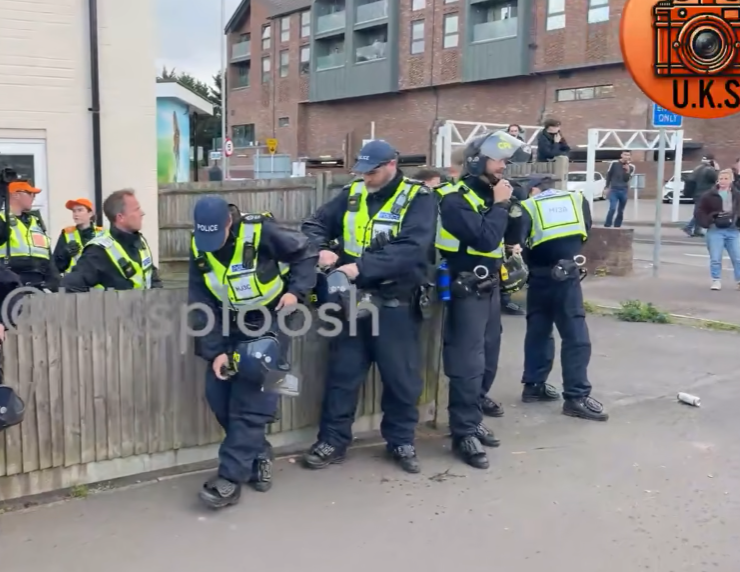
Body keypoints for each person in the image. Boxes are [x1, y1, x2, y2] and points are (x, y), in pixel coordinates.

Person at [300, 139, 436, 474]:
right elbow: (314, 224)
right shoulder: (352, 194)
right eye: (361, 171)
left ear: (391, 164)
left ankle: (401, 441)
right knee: (343, 376)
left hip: (395, 304)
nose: (365, 178)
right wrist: (320, 248)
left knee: (401, 379)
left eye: (371, 172)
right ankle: (332, 441)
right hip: (351, 304)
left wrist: (360, 268)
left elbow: (412, 248)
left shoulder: (419, 198)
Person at [188, 195, 317, 508]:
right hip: (228, 323)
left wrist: (296, 292)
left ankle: (230, 479)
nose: (212, 245)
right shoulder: (199, 246)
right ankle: (258, 454)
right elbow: (200, 301)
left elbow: (306, 252)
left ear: (228, 222)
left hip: (269, 320)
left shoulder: (261, 230)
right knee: (218, 394)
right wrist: (215, 352)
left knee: (252, 396)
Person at [435, 131, 531, 468]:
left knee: (489, 356)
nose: (504, 166)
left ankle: (473, 417)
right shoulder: (452, 199)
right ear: (477, 162)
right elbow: (485, 237)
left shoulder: (496, 194)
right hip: (464, 286)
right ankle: (463, 432)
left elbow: (513, 237)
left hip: (490, 285)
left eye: (506, 161)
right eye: (498, 160)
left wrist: (514, 207)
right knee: (467, 362)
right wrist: (501, 205)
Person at [517, 173, 608, 421]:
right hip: (565, 274)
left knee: (538, 331)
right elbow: (585, 230)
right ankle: (576, 397)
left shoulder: (527, 206)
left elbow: (519, 242)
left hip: (538, 275)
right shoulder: (576, 200)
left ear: (533, 190)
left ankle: (533, 385)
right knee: (575, 336)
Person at [61, 189, 163, 291]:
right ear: (120, 217)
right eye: (136, 210)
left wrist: (157, 294)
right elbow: (69, 285)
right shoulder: (97, 251)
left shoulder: (140, 241)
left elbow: (150, 274)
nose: (142, 213)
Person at [0, 181, 59, 291]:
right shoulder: (2, 219)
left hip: (39, 282)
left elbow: (48, 256)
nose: (33, 197)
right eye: (30, 193)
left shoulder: (36, 222)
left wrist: (55, 283)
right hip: (10, 283)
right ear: (16, 195)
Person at [695, 169, 740, 290]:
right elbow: (700, 211)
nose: (723, 181)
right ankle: (716, 280)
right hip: (715, 230)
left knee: (737, 257)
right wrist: (708, 220)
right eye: (721, 179)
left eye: (726, 179)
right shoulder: (709, 195)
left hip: (733, 229)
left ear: (731, 180)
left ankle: (739, 280)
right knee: (715, 258)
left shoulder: (737, 195)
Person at [53, 198, 105, 274]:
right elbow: (55, 266)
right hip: (74, 279)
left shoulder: (102, 233)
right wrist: (65, 254)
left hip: (97, 280)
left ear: (90, 213)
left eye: (80, 210)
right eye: (74, 211)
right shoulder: (67, 233)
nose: (76, 214)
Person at [683, 156, 719, 238]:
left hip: (697, 193)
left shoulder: (698, 168)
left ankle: (696, 230)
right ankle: (689, 227)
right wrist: (716, 169)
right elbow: (715, 179)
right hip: (705, 193)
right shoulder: (709, 170)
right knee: (701, 212)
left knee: (699, 211)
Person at [604, 150, 635, 228]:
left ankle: (617, 226)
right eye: (625, 155)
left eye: (628, 155)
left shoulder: (632, 167)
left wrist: (627, 171)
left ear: (630, 157)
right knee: (612, 208)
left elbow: (626, 179)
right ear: (621, 155)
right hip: (614, 190)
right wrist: (606, 187)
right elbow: (609, 175)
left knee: (621, 210)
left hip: (624, 191)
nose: (626, 157)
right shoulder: (614, 163)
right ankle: (607, 225)